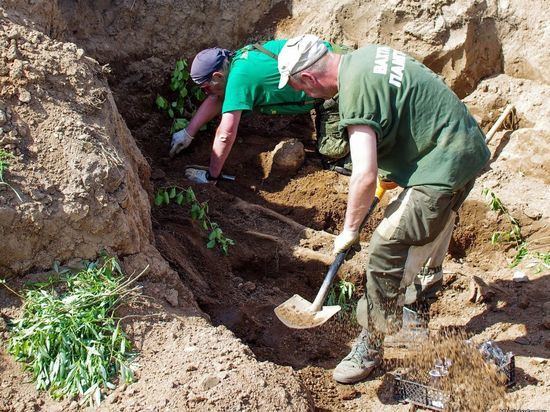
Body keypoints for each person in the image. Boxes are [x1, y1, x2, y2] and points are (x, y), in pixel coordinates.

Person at [277, 35, 490, 384]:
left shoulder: (354, 96)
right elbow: (400, 105)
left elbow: (363, 173)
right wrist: (397, 171)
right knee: (431, 234)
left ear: (309, 78)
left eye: (300, 87)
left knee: (386, 247)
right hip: (463, 149)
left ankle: (371, 344)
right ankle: (415, 313)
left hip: (441, 165)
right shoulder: (365, 57)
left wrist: (349, 229)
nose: (303, 94)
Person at [170, 38, 353, 182]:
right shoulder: (241, 58)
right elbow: (217, 98)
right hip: (340, 60)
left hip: (339, 83)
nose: (207, 93)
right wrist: (188, 132)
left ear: (217, 75)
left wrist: (212, 176)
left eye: (206, 88)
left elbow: (225, 134)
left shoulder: (238, 79)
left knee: (332, 154)